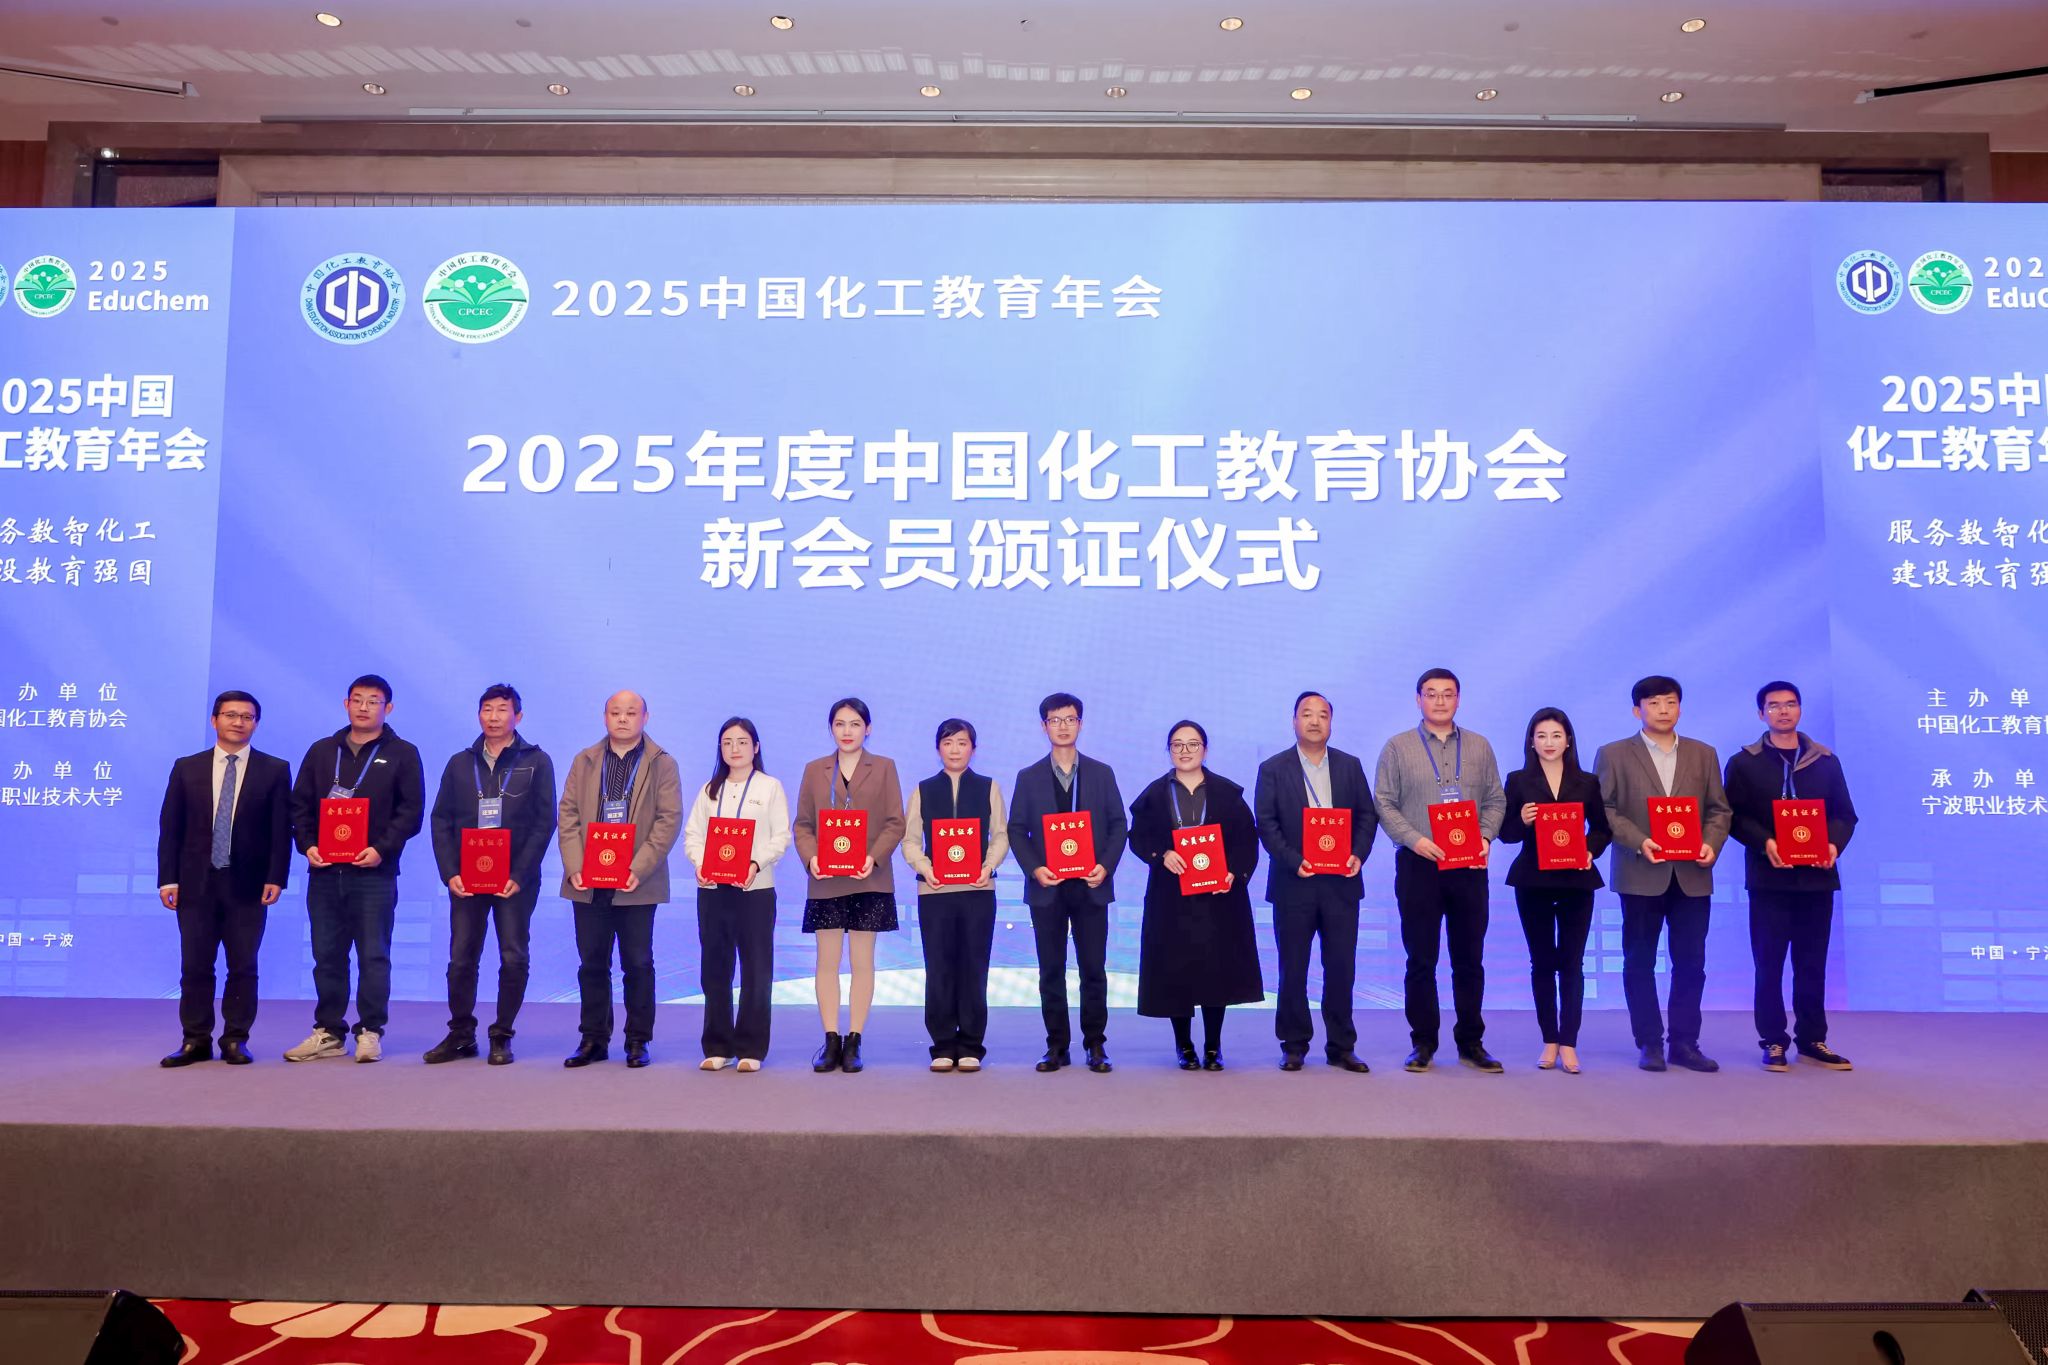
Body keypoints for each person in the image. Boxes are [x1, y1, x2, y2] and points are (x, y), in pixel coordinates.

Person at [1596, 675, 1734, 1074]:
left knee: (1691, 963)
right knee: (1639, 961)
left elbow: (1719, 809)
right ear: (1636, 710)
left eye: (1670, 702)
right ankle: (1649, 1042)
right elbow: (1604, 809)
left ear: (1680, 708)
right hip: (1641, 871)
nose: (1663, 710)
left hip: (1692, 874)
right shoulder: (1613, 754)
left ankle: (1685, 1043)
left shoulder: (1703, 753)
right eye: (1654, 703)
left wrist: (1711, 843)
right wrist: (1639, 841)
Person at [285, 674, 425, 1064]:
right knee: (326, 954)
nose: (364, 707)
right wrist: (308, 845)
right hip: (325, 872)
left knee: (373, 955)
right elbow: (299, 806)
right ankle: (329, 1031)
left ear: (388, 708)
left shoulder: (403, 753)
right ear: (345, 704)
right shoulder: (321, 751)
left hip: (374, 873)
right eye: (357, 699)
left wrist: (382, 849)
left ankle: (370, 1030)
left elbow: (411, 812)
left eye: (373, 701)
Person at [1372, 668, 1507, 1074]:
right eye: (1431, 694)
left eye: (1448, 694)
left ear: (1458, 699)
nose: (1440, 701)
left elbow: (1496, 800)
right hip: (1419, 864)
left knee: (1469, 959)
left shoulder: (1480, 746)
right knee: (1421, 959)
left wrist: (1485, 837)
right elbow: (1384, 802)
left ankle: (1471, 1042)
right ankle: (1423, 1043)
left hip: (1469, 866)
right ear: (1418, 700)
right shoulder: (1397, 747)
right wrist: (1414, 840)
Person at [1723, 681, 1859, 1073]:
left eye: (1791, 704)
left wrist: (1833, 845)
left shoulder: (1825, 761)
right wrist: (1764, 842)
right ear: (1761, 713)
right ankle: (1773, 1040)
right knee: (1769, 964)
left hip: (1817, 878)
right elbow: (1733, 816)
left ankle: (1813, 1039)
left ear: (1800, 710)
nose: (1783, 711)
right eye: (1774, 705)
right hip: (1770, 878)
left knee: (1812, 963)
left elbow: (1845, 814)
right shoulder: (1744, 762)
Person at [155, 690, 294, 1067]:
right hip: (195, 884)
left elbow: (281, 831)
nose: (238, 722)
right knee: (195, 966)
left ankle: (235, 1039)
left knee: (243, 966)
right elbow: (171, 828)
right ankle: (195, 1039)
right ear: (214, 720)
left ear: (256, 724)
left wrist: (277, 877)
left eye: (247, 717)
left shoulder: (274, 769)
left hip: (248, 884)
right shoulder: (187, 767)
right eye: (231, 715)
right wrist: (168, 879)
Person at [424, 683, 556, 1067]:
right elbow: (441, 819)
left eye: (502, 709)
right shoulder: (459, 763)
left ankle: (502, 1034)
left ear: (518, 716)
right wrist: (450, 872)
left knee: (513, 956)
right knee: (461, 958)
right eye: (487, 709)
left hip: (515, 880)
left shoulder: (537, 761)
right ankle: (461, 1033)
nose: (493, 717)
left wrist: (521, 873)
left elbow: (543, 822)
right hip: (467, 879)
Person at [1252, 690, 1379, 1072]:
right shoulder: (1273, 768)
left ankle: (1341, 1046)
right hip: (1295, 883)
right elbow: (1266, 824)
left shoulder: (1349, 765)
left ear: (1331, 723)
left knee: (1341, 968)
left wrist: (1358, 854)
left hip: (1341, 883)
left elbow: (1367, 815)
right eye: (1307, 714)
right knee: (1293, 968)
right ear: (1294, 721)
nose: (1314, 721)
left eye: (1322, 715)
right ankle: (1294, 1044)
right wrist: (1295, 861)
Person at [558, 690, 684, 1069]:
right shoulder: (585, 760)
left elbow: (668, 820)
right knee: (592, 963)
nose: (623, 719)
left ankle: (637, 1040)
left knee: (638, 963)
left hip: (637, 881)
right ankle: (593, 1039)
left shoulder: (662, 763)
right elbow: (568, 815)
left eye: (631, 712)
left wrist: (637, 869)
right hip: (588, 880)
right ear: (605, 717)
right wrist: (574, 865)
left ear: (646, 717)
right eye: (616, 712)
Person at [1129, 721, 1264, 1071]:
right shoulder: (1154, 794)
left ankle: (1214, 1046)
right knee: (1176, 969)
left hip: (1218, 898)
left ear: (1205, 749)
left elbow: (1247, 840)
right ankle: (1184, 1046)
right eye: (1177, 744)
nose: (1185, 751)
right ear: (1169, 751)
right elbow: (1138, 837)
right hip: (1171, 898)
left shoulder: (1227, 793)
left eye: (1192, 744)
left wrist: (1235, 873)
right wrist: (1161, 854)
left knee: (1216, 968)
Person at [1007, 692, 1128, 1074]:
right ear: (1044, 726)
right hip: (1048, 887)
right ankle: (1056, 1045)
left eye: (1070, 719)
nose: (1063, 726)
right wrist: (1035, 869)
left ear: (1080, 724)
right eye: (1055, 720)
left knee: (1093, 969)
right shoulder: (1028, 777)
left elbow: (1118, 825)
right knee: (1051, 971)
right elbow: (1016, 829)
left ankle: (1096, 1044)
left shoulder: (1101, 773)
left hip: (1091, 885)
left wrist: (1105, 866)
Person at [792, 697, 906, 1074]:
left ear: (868, 729)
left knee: (862, 962)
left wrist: (873, 857)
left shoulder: (884, 767)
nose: (847, 731)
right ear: (831, 729)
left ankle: (854, 1039)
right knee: (826, 962)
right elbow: (803, 825)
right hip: (826, 879)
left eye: (855, 724)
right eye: (840, 724)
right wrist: (812, 858)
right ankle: (830, 1039)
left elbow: (895, 822)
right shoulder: (815, 770)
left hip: (868, 877)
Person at [1495, 707, 1612, 1074]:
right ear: (1531, 741)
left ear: (1568, 741)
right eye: (1541, 736)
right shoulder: (1517, 781)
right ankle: (1549, 1038)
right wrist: (1521, 820)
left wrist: (1589, 850)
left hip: (1577, 880)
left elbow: (1603, 828)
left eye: (1556, 736)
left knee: (1572, 963)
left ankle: (1570, 1041)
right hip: (1533, 880)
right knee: (1542, 962)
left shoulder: (1587, 781)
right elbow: (1505, 833)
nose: (1549, 742)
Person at [683, 716, 790, 1072]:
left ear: (756, 747)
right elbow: (693, 835)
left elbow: (781, 836)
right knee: (715, 968)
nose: (735, 749)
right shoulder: (708, 790)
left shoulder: (770, 787)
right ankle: (718, 1045)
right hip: (713, 890)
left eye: (742, 742)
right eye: (727, 742)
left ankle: (751, 1048)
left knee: (756, 968)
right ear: (720, 748)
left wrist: (756, 863)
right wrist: (700, 863)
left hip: (755, 889)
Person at [902, 718, 1010, 1072]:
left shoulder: (989, 787)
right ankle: (943, 1045)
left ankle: (971, 1045)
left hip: (978, 890)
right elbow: (910, 840)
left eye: (962, 743)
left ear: (973, 749)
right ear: (938, 748)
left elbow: (1001, 835)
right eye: (948, 743)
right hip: (935, 891)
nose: (955, 750)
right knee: (939, 967)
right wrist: (926, 867)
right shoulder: (923, 790)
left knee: (974, 967)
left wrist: (988, 866)